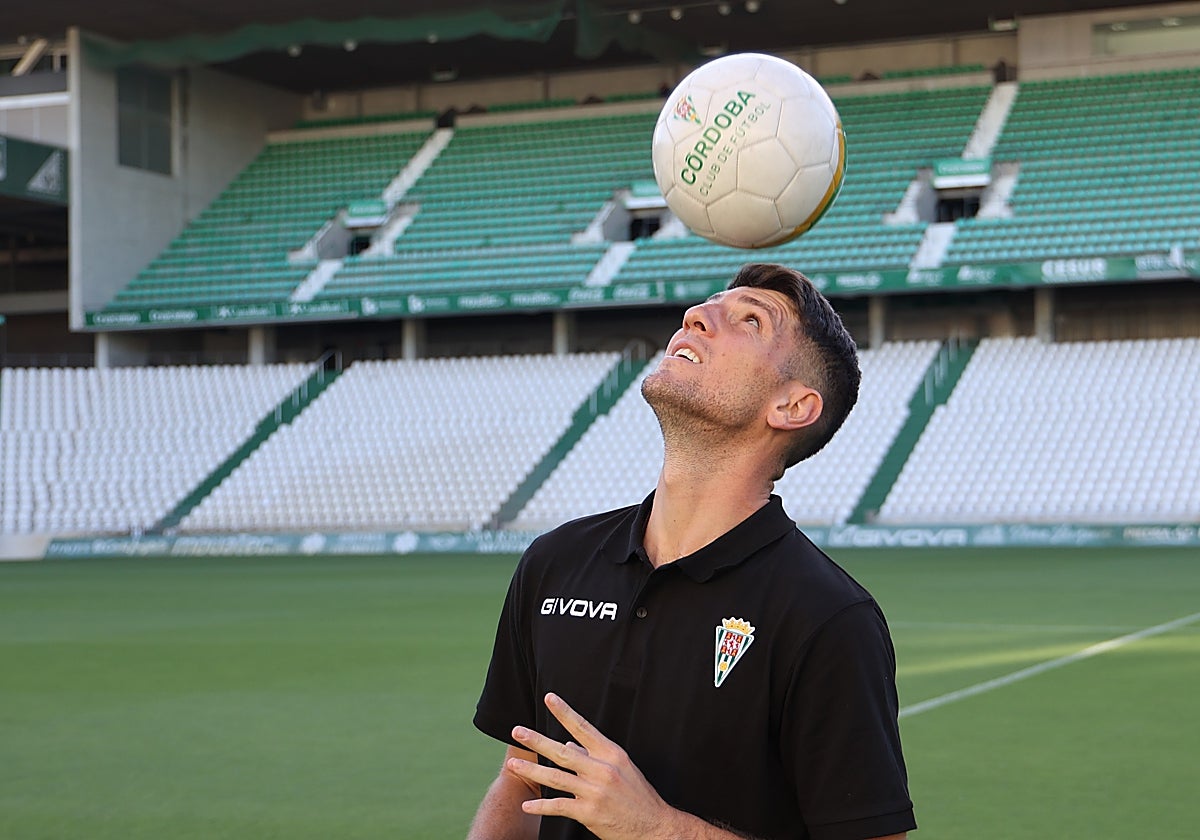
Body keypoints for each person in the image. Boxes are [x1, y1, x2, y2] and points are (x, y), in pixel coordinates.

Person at [468, 263, 915, 840]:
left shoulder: (829, 618)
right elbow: (522, 780)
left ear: (792, 407)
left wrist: (656, 829)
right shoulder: (554, 563)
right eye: (706, 306)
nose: (695, 317)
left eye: (750, 321)